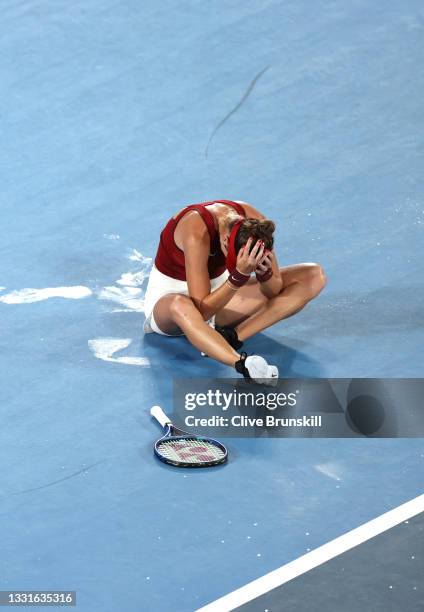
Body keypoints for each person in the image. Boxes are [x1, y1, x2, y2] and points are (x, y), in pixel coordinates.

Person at [143, 199, 326, 383]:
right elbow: (202, 312)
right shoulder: (195, 231)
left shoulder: (256, 223)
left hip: (223, 296)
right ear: (224, 240)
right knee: (179, 304)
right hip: (173, 306)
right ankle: (241, 364)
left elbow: (273, 292)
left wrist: (265, 274)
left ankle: (232, 337)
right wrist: (238, 275)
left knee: (313, 275)